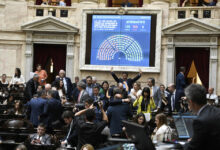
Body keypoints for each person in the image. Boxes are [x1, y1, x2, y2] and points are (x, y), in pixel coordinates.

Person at [184, 84, 220, 150]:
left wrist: (187, 143)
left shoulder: (200, 121)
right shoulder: (217, 111)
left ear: (191, 102)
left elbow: (192, 148)